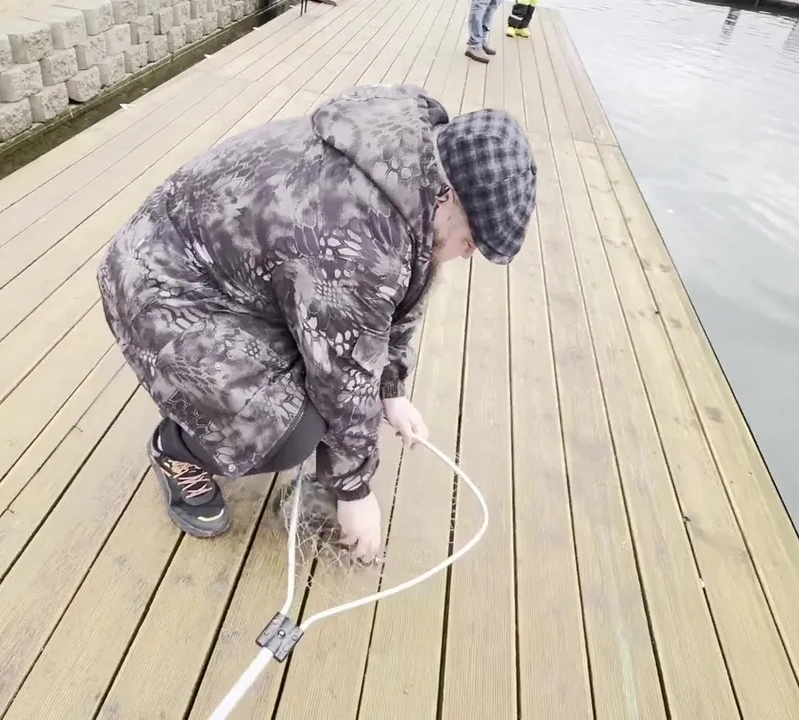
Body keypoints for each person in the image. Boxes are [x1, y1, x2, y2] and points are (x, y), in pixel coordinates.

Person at [96, 84, 537, 563]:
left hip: (226, 273)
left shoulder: (410, 164)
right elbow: (343, 371)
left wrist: (390, 389)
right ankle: (177, 450)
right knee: (291, 431)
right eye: (471, 241)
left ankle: (207, 409)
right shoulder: (359, 236)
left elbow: (399, 295)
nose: (468, 254)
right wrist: (354, 491)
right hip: (159, 286)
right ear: (448, 196)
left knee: (320, 388)